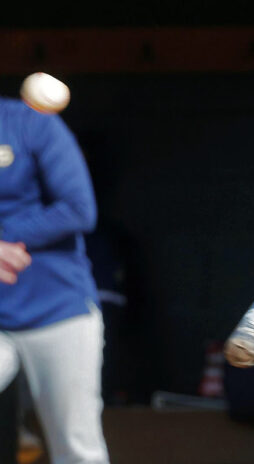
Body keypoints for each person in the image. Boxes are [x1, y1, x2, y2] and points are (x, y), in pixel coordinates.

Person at [0, 95, 109, 462]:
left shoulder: (28, 122)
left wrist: (5, 237)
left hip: (54, 308)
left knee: (76, 448)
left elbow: (79, 209)